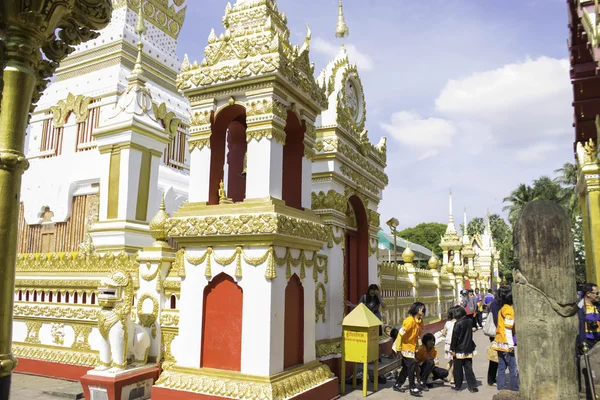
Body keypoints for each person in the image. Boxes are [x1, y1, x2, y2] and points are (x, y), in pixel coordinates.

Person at [393, 302, 426, 397]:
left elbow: (417, 336)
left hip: (411, 348)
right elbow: (400, 334)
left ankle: (397, 384)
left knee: (406, 368)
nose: (423, 311)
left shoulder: (420, 322)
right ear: (416, 309)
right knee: (411, 365)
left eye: (424, 310)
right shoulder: (409, 321)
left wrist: (417, 348)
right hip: (404, 347)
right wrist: (398, 348)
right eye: (421, 309)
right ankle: (412, 387)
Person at [492, 285, 519, 392]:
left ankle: (501, 390)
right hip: (506, 343)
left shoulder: (502, 309)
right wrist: (511, 345)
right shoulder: (508, 310)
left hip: (499, 342)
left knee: (502, 368)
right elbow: (508, 329)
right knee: (513, 368)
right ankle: (516, 390)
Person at [450, 306, 478, 393]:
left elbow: (455, 337)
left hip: (459, 349)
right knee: (468, 368)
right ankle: (473, 386)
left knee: (457, 369)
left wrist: (452, 349)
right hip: (469, 348)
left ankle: (458, 385)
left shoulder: (458, 323)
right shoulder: (469, 321)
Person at [578, 282, 600, 350]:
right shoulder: (580, 307)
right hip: (587, 343)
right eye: (596, 293)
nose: (598, 295)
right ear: (588, 294)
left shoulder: (598, 306)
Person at [487, 293, 500, 386]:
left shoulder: (498, 303)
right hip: (496, 333)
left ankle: (492, 378)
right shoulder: (495, 304)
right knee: (494, 356)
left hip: (498, 333)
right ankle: (491, 379)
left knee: (497, 356)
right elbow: (496, 319)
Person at [441, 306, 458, 383]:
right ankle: (453, 378)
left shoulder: (447, 323)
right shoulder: (457, 323)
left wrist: (448, 335)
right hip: (454, 345)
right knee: (454, 362)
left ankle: (443, 375)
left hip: (448, 344)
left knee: (450, 361)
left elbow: (443, 333)